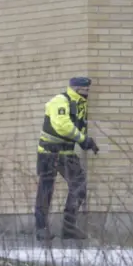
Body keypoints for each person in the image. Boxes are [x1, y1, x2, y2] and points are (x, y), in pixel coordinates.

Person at [34, 77, 100, 241]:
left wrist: (87, 142)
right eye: (85, 90)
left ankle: (69, 228)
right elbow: (62, 125)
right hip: (49, 153)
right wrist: (83, 139)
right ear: (77, 89)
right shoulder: (60, 101)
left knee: (79, 186)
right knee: (45, 190)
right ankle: (41, 229)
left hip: (67, 153)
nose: (87, 93)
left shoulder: (80, 105)